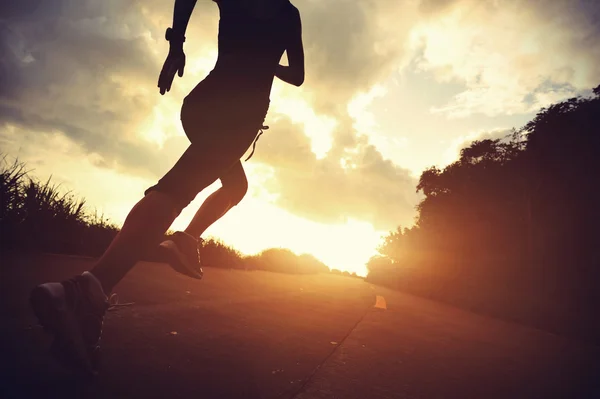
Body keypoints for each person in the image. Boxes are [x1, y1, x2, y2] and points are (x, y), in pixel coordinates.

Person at [29, 0, 305, 375]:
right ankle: (86, 290)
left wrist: (177, 44)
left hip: (202, 104)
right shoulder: (288, 14)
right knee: (179, 189)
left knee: (235, 186)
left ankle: (185, 240)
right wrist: (265, 61)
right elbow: (298, 75)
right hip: (240, 116)